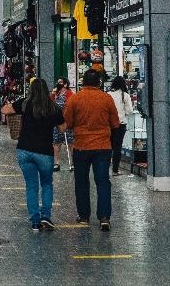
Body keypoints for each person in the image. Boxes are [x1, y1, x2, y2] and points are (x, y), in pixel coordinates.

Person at [64, 70, 120, 231]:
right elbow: (115, 123)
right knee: (103, 182)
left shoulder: (75, 99)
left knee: (81, 182)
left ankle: (83, 216)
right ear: (99, 83)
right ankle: (104, 217)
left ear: (83, 83)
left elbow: (68, 122)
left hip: (81, 146)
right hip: (103, 147)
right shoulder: (106, 99)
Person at [12, 79, 65, 231]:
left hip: (24, 149)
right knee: (47, 184)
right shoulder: (53, 107)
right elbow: (63, 128)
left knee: (31, 185)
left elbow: (5, 110)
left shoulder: (24, 103)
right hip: (44, 152)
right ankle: (45, 216)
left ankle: (35, 221)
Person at [107, 76, 133, 176]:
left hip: (109, 124)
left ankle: (105, 167)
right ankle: (115, 170)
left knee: (109, 146)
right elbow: (130, 111)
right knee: (117, 147)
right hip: (120, 124)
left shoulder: (108, 94)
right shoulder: (125, 95)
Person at [51, 77, 75, 172]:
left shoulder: (69, 93)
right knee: (56, 143)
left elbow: (70, 105)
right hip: (56, 122)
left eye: (60, 82)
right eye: (58, 82)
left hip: (66, 121)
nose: (58, 84)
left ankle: (73, 163)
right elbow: (50, 103)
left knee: (70, 143)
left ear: (65, 84)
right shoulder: (55, 93)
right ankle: (56, 163)